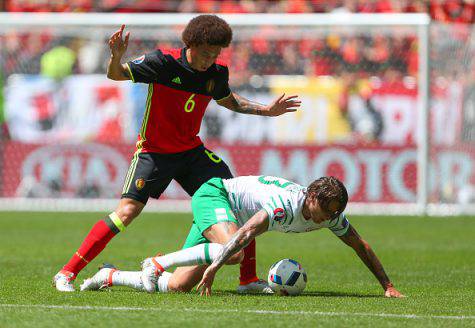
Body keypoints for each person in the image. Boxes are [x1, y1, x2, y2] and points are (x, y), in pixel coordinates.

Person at [53, 15, 301, 292]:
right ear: (190, 44)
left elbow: (229, 100)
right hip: (154, 153)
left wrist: (266, 110)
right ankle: (67, 273)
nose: (211, 59)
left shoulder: (217, 73)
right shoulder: (163, 63)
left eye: (216, 54)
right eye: (206, 53)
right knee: (127, 212)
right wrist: (116, 57)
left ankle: (247, 280)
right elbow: (116, 74)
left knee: (235, 198)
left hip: (192, 153)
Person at [80, 175, 404, 298]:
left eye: (334, 213)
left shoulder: (329, 215)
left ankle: (109, 275)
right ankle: (156, 262)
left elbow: (360, 245)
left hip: (232, 217)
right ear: (312, 197)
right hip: (215, 196)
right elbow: (248, 232)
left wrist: (387, 286)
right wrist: (215, 267)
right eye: (326, 210)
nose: (328, 218)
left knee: (178, 286)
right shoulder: (285, 206)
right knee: (232, 252)